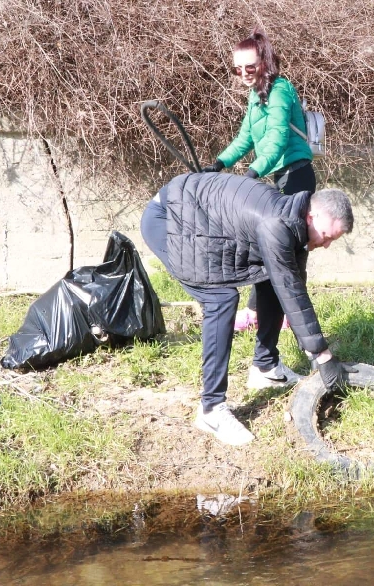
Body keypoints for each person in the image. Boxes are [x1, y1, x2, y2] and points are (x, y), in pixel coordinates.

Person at [140, 172, 354, 447]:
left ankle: (265, 369)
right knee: (221, 299)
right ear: (312, 217)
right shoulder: (276, 224)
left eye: (331, 241)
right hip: (169, 218)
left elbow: (292, 286)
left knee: (272, 276)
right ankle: (211, 411)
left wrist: (313, 349)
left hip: (198, 217)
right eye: (326, 236)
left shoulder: (295, 223)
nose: (325, 245)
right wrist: (322, 355)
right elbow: (290, 288)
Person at [202, 28, 316, 332]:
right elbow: (245, 139)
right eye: (237, 69)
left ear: (264, 62)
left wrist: (253, 172)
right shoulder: (256, 97)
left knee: (290, 250)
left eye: (249, 67)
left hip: (296, 176)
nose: (243, 74)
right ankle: (257, 311)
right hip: (278, 176)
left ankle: (291, 314)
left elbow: (277, 139)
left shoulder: (280, 90)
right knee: (267, 246)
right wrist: (219, 163)